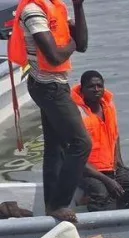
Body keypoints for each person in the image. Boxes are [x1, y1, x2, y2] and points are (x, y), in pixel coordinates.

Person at [9, 0, 90, 223]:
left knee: (55, 147)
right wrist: (72, 43)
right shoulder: (33, 10)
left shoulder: (56, 7)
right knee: (81, 144)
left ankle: (51, 205)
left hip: (55, 85)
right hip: (48, 87)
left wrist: (78, 6)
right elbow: (54, 56)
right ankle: (58, 203)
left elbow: (82, 44)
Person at [71, 70, 129, 211]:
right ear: (82, 89)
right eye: (91, 86)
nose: (96, 89)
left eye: (100, 86)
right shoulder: (75, 113)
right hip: (84, 171)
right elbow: (76, 158)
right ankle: (97, 229)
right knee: (102, 195)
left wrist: (120, 163)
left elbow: (115, 135)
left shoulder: (108, 106)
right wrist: (107, 180)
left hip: (111, 167)